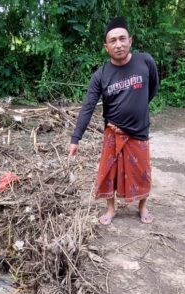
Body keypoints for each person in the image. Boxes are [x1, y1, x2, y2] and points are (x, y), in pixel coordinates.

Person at [68, 17, 159, 225]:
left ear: (130, 41)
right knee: (108, 172)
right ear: (106, 46)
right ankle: (111, 209)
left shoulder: (145, 61)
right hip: (113, 132)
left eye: (122, 39)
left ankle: (142, 207)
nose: (118, 44)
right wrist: (75, 139)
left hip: (139, 131)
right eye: (113, 41)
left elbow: (152, 88)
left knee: (143, 172)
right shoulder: (100, 75)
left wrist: (139, 107)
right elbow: (88, 107)